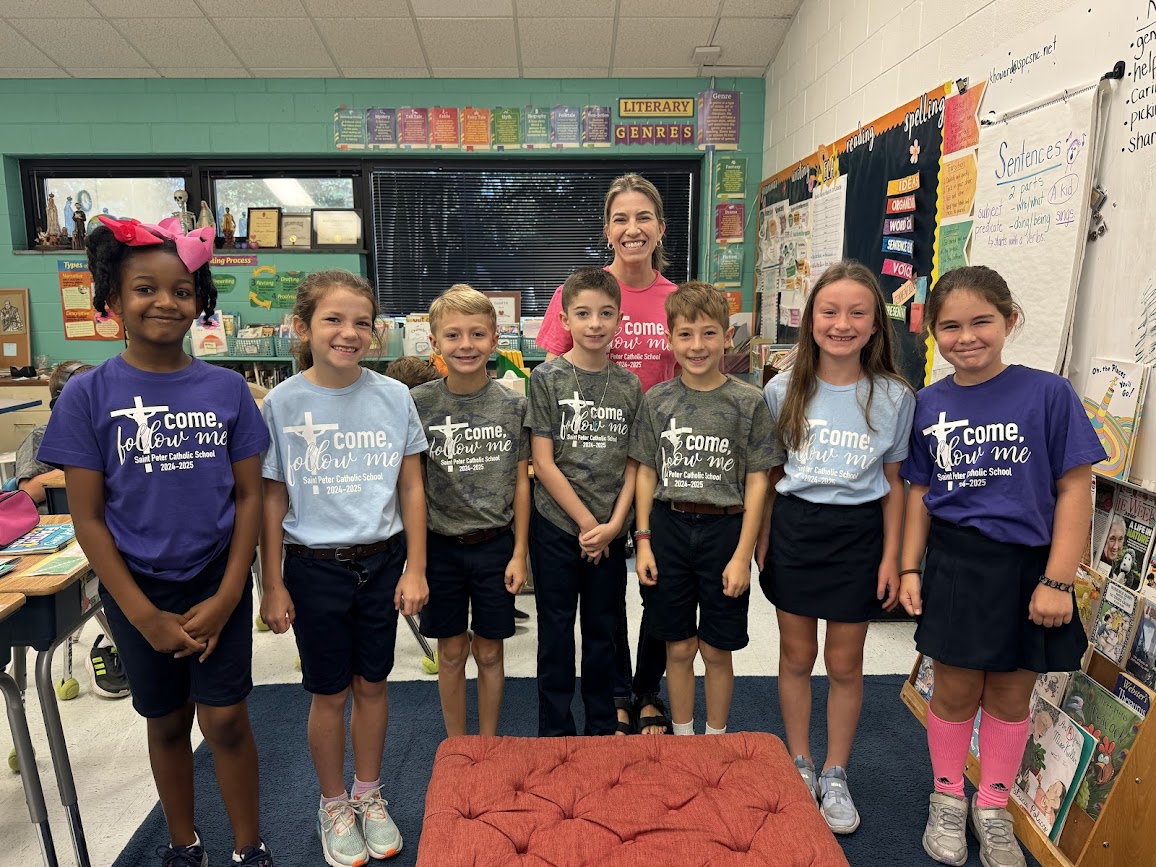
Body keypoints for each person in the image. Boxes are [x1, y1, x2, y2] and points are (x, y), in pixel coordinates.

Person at [37, 214, 273, 866]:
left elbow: (250, 495)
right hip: (135, 589)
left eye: (181, 289)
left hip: (215, 578)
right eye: (145, 288)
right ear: (112, 297)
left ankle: (250, 846)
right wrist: (142, 615)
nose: (165, 301)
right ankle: (182, 842)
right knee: (165, 719)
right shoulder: (87, 395)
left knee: (225, 718)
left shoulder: (227, 390)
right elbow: (87, 517)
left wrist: (230, 595)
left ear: (200, 300)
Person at [899, 265, 1105, 867]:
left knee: (1014, 693)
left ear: (1009, 321)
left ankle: (993, 806)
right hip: (959, 564)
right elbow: (919, 494)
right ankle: (947, 798)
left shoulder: (1048, 393)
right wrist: (911, 569)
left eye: (981, 321)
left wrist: (1058, 579)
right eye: (950, 326)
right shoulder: (929, 404)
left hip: (1031, 569)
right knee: (957, 687)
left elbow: (1075, 489)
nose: (967, 337)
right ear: (933, 333)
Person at [258, 269, 428, 867]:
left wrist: (415, 567)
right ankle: (333, 802)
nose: (348, 332)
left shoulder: (392, 396)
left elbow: (411, 486)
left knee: (374, 685)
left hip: (382, 561)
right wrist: (272, 581)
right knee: (329, 692)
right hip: (313, 566)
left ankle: (368, 793)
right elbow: (272, 497)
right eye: (333, 320)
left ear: (376, 331)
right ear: (303, 328)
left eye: (361, 322)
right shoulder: (282, 402)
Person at [755, 261, 915, 834]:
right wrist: (764, 537)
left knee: (845, 663)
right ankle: (798, 761)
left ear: (876, 324)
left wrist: (893, 557)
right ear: (811, 320)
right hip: (797, 529)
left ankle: (836, 771)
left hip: (859, 535)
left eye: (856, 313)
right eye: (829, 311)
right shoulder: (781, 388)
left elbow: (896, 483)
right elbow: (769, 474)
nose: (841, 323)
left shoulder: (895, 396)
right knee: (797, 656)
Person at [536, 172, 677, 735]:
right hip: (578, 475)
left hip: (652, 464)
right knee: (599, 609)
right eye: (621, 218)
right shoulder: (578, 291)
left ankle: (645, 691)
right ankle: (614, 693)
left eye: (643, 217)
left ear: (661, 228)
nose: (632, 228)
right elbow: (549, 372)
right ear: (607, 228)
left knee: (654, 590)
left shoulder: (673, 299)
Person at [629, 281, 774, 737]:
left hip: (725, 533)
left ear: (728, 337)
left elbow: (758, 482)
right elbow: (646, 474)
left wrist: (742, 556)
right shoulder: (657, 401)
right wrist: (644, 541)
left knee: (715, 648)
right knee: (677, 645)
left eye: (709, 333)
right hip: (669, 527)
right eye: (686, 335)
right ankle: (684, 735)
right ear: (669, 339)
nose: (697, 346)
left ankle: (715, 739)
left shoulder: (747, 401)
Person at [410, 285, 531, 738]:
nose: (466, 345)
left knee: (491, 652)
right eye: (454, 335)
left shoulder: (513, 405)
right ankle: (458, 744)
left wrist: (520, 552)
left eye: (477, 334)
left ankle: (488, 741)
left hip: (495, 545)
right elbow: (413, 486)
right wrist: (415, 563)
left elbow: (521, 482)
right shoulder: (419, 403)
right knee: (451, 652)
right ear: (435, 341)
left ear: (495, 339)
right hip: (440, 548)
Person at [529, 267, 641, 737]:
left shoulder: (631, 386)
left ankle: (600, 727)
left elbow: (636, 464)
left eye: (605, 313)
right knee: (556, 634)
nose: (594, 323)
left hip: (611, 531)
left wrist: (613, 525)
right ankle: (555, 732)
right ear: (565, 318)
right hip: (556, 525)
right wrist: (585, 523)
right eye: (582, 313)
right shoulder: (547, 377)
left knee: (601, 633)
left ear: (620, 321)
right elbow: (544, 462)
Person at [16, 360, 132, 699]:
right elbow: (29, 491)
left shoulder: (115, 428)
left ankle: (117, 640)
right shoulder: (41, 435)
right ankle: (110, 645)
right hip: (63, 532)